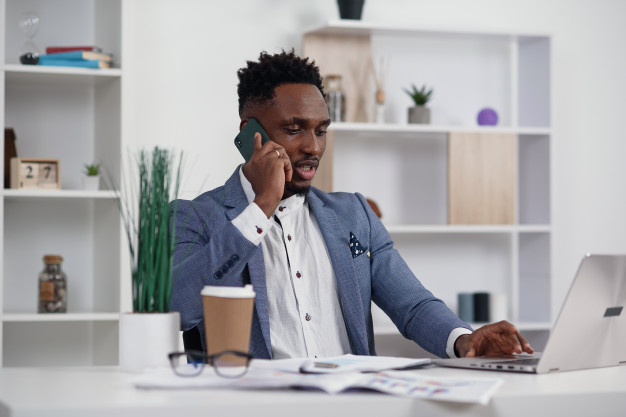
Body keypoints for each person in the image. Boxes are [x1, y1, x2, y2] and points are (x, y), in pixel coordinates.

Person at [170, 50, 534, 360]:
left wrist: (463, 340)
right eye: (294, 129)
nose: (313, 147)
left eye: (321, 130)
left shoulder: (354, 215)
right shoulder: (194, 217)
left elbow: (413, 305)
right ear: (251, 132)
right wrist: (261, 207)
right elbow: (177, 308)